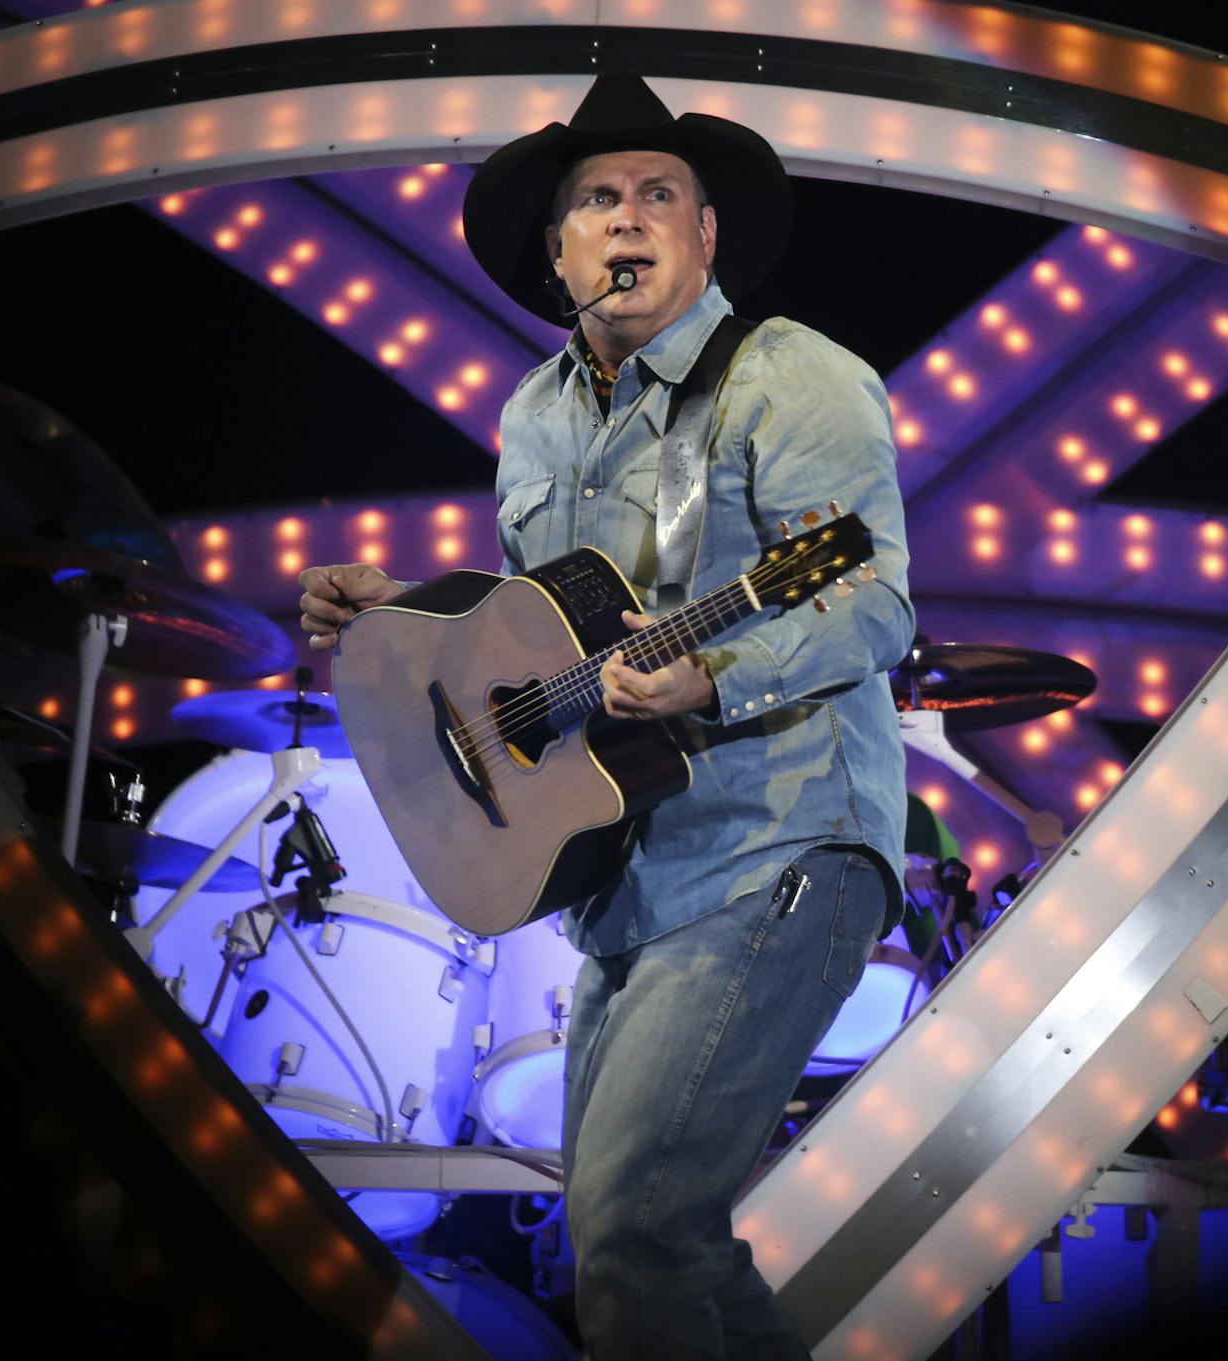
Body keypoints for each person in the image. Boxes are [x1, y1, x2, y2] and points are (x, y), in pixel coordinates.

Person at [296, 74, 912, 1360]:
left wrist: (717, 674)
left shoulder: (793, 378)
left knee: (639, 1230)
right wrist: (404, 611)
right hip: (622, 871)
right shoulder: (535, 414)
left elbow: (871, 604)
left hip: (778, 842)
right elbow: (541, 627)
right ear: (557, 250)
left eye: (658, 197)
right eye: (596, 200)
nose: (627, 221)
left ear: (704, 236)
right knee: (626, 1241)